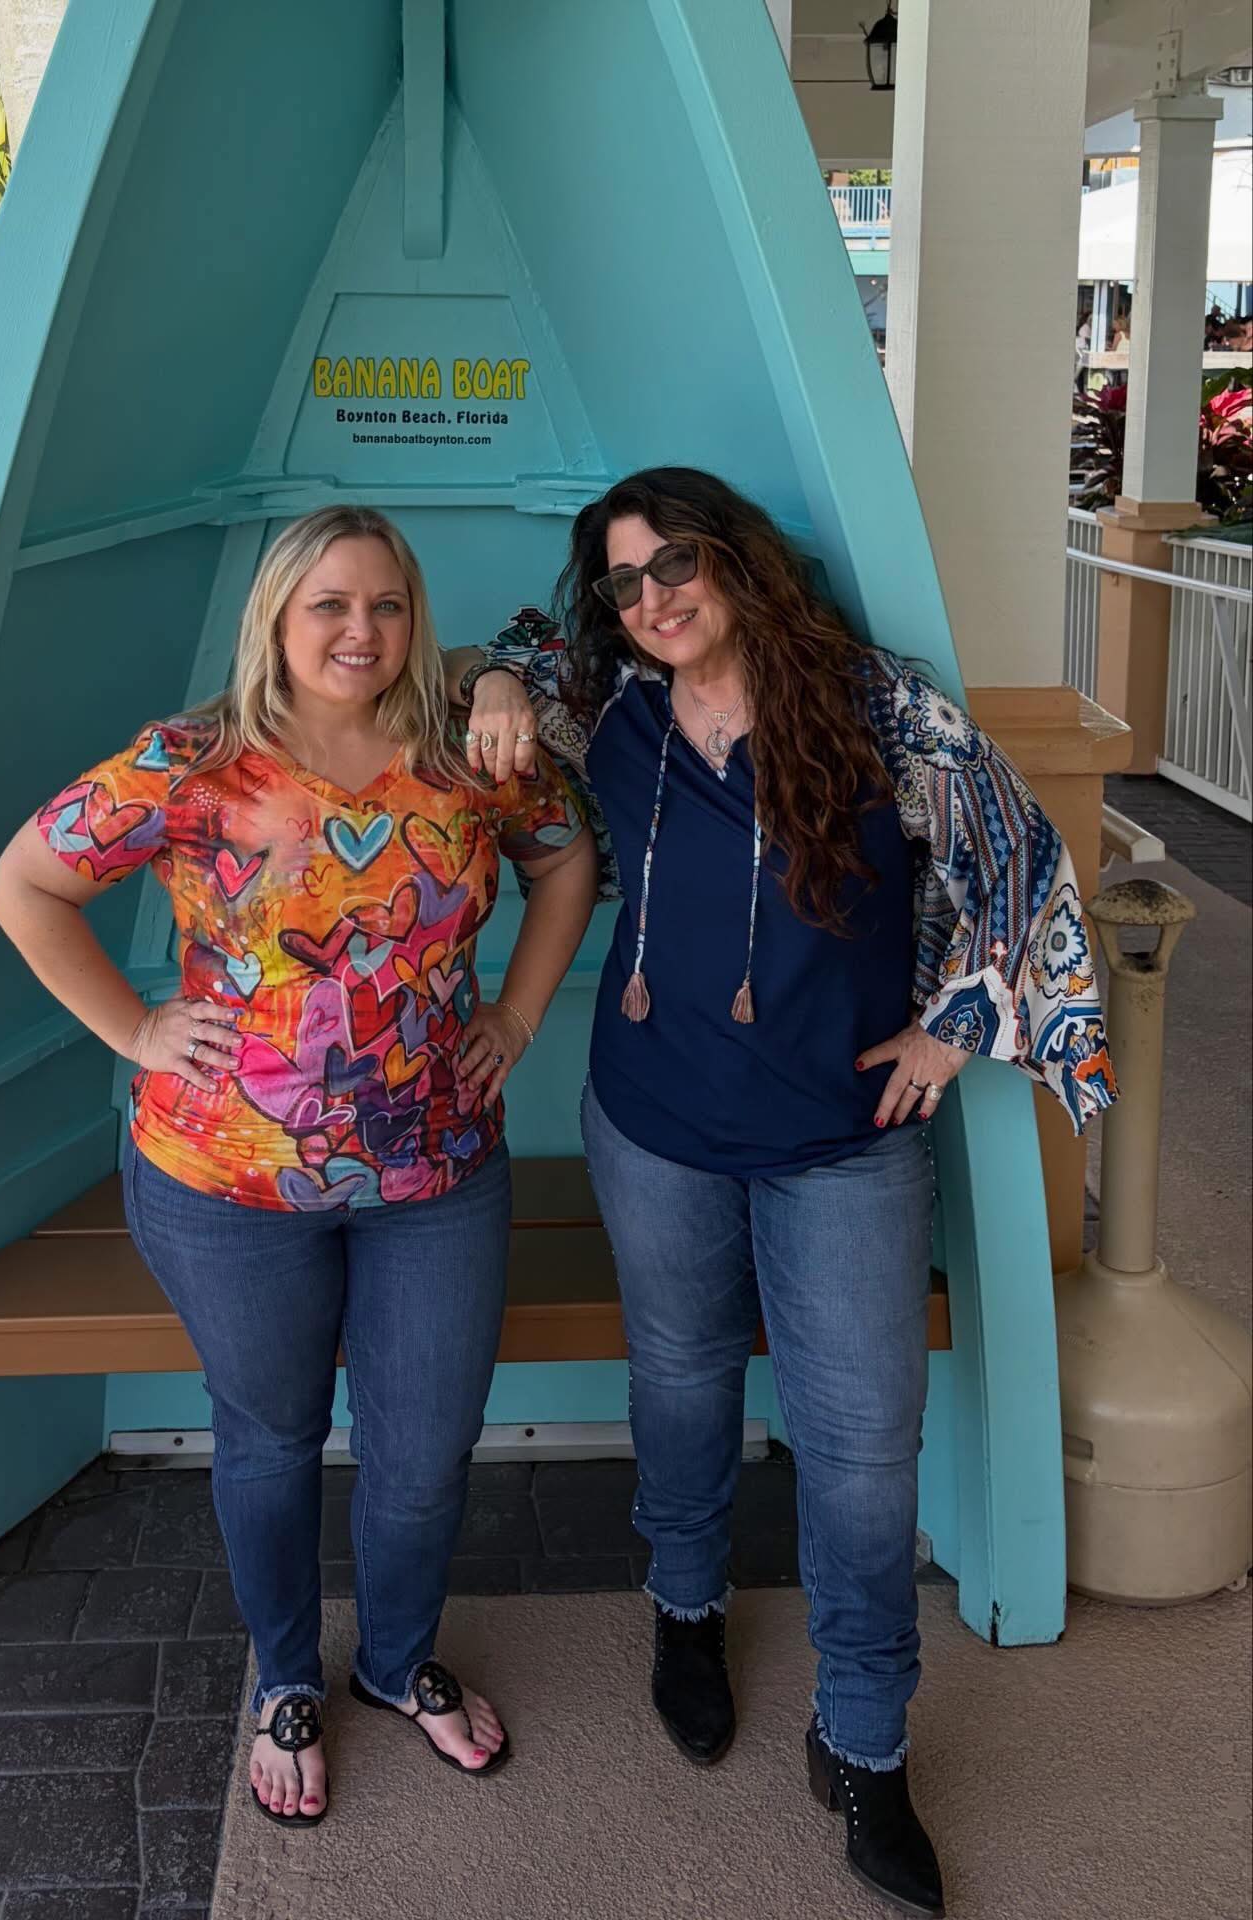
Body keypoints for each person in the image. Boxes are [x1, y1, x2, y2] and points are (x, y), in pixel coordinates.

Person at [446, 469, 1115, 1919]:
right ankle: (685, 1611)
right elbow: (481, 672)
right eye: (624, 582)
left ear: (735, 559)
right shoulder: (614, 707)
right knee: (680, 1378)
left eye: (675, 561)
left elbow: (1024, 859)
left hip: (840, 1143)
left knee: (864, 1446)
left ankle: (865, 1743)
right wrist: (499, 674)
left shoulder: (876, 709)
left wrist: (955, 1024)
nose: (655, 597)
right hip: (655, 1128)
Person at [0, 506, 597, 1827]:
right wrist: (139, 1029)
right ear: (277, 614)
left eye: (383, 605)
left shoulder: (470, 751)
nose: (359, 630)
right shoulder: (195, 761)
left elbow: (567, 864)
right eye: (329, 604)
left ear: (412, 617)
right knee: (269, 1434)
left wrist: (519, 1019)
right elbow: (22, 884)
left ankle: (392, 1664)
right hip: (227, 1190)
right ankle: (281, 1676)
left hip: (437, 1176)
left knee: (427, 1452)